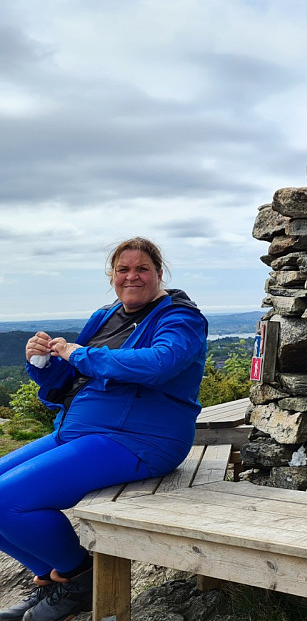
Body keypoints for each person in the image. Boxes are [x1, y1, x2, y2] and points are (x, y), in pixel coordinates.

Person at [0, 237, 208, 621]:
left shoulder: (181, 318)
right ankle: (54, 579)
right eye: (123, 269)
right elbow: (75, 378)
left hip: (139, 440)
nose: (132, 276)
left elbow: (159, 363)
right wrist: (43, 364)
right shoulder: (107, 315)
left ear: (158, 274)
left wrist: (80, 353)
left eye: (142, 268)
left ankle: (81, 579)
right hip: (81, 430)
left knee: (5, 499)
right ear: (112, 276)